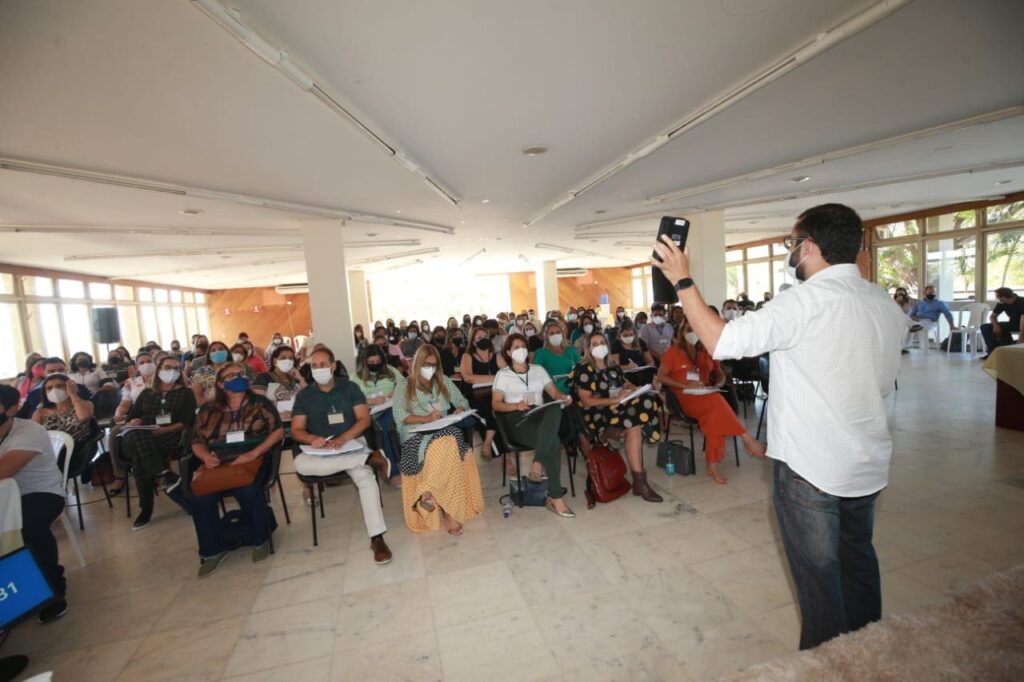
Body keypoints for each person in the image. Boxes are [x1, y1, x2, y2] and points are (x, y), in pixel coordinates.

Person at [653, 202, 905, 650]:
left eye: (792, 243)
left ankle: (827, 667)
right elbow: (884, 382)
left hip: (812, 466)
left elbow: (721, 340)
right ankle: (870, 655)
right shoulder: (882, 301)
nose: (791, 251)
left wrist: (682, 280)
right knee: (859, 562)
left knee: (820, 582)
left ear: (808, 247)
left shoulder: (803, 302)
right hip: (866, 462)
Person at [290, 347, 392, 564]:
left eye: (323, 365)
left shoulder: (350, 388)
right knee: (300, 464)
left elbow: (364, 420)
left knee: (366, 478)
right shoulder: (304, 395)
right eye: (314, 366)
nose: (319, 369)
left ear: (334, 366)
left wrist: (343, 438)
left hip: (351, 442)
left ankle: (377, 538)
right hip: (319, 448)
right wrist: (312, 440)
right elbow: (297, 431)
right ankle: (367, 458)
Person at [189, 362, 284, 577]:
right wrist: (206, 457)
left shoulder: (260, 404)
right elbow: (196, 440)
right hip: (218, 461)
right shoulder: (208, 409)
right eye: (232, 375)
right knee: (201, 497)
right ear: (221, 384)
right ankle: (212, 551)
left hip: (253, 458)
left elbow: (277, 432)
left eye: (241, 373)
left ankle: (260, 541)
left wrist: (253, 453)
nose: (239, 377)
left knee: (248, 490)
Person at [392, 345, 484, 535]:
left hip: (442, 431)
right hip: (415, 435)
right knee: (449, 443)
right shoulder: (404, 385)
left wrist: (459, 409)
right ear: (417, 364)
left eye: (434, 365)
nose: (431, 369)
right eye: (427, 365)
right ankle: (448, 513)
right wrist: (426, 419)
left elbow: (462, 401)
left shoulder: (443, 381)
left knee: (449, 440)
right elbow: (401, 415)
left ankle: (427, 493)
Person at [657, 323, 764, 484]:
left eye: (696, 330)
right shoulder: (673, 352)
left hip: (707, 395)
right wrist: (686, 385)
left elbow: (719, 374)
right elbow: (661, 377)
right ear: (682, 332)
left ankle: (712, 464)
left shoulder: (707, 351)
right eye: (689, 330)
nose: (693, 334)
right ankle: (746, 437)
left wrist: (718, 384)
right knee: (716, 402)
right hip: (684, 398)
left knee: (714, 415)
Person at [0, 385, 68, 623]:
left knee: (29, 526)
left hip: (39, 493)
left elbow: (4, 471)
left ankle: (53, 589)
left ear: (11, 410)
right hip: (4, 498)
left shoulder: (28, 432)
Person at [571, 332, 663, 503]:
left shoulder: (613, 367)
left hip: (617, 412)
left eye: (602, 343)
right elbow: (586, 400)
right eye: (594, 344)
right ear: (588, 349)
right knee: (636, 421)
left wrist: (635, 389)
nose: (599, 346)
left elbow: (625, 383)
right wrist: (614, 399)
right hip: (597, 416)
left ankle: (639, 482)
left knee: (642, 409)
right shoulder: (583, 370)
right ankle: (642, 439)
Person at [492, 334, 575, 517]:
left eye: (523, 346)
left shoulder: (538, 370)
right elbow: (496, 404)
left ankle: (537, 463)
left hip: (540, 415)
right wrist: (515, 405)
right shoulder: (503, 375)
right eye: (515, 347)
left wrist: (564, 399)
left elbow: (554, 393)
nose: (520, 350)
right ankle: (556, 497)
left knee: (555, 408)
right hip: (517, 419)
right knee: (552, 441)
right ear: (508, 352)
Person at [120, 355, 197, 529]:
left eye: (176, 368)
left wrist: (165, 430)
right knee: (138, 435)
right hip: (142, 434)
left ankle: (147, 507)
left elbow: (187, 421)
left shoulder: (185, 393)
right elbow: (132, 417)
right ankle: (163, 472)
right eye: (168, 367)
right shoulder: (147, 393)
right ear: (159, 370)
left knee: (140, 459)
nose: (172, 371)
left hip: (169, 436)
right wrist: (133, 422)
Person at [351, 345, 402, 486]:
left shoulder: (391, 371)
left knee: (391, 421)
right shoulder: (355, 377)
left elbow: (405, 384)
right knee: (385, 426)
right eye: (371, 363)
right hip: (368, 412)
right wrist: (371, 401)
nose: (375, 365)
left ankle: (400, 465)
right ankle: (393, 472)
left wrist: (396, 391)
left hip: (390, 408)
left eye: (378, 362)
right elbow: (350, 400)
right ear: (364, 362)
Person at [460, 326, 506, 460]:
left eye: (485, 337)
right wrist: (495, 378)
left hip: (496, 394)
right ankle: (495, 450)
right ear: (473, 342)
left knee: (499, 408)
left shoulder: (496, 356)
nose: (483, 340)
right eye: (479, 338)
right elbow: (468, 377)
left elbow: (507, 374)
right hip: (476, 397)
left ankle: (488, 443)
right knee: (493, 409)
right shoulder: (467, 356)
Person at [253, 345, 306, 420]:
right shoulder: (264, 377)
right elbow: (258, 404)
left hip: (298, 422)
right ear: (275, 361)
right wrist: (276, 415)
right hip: (275, 423)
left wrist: (300, 378)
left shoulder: (296, 378)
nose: (287, 361)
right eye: (283, 358)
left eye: (291, 358)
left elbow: (309, 398)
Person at [981, 287, 1024, 358]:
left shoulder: (1022, 301)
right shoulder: (1002, 303)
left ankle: (1010, 347)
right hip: (1013, 324)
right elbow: (993, 316)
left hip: (1022, 324)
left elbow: (1023, 320)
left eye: (998, 297)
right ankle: (993, 352)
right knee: (985, 327)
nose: (998, 299)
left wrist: (1021, 337)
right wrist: (996, 326)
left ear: (1004, 297)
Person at [612, 320, 654, 386]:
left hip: (643, 375)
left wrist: (645, 367)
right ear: (620, 335)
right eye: (625, 335)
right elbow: (614, 367)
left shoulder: (641, 342)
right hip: (625, 377)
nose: (628, 337)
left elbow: (650, 361)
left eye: (631, 335)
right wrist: (627, 367)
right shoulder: (616, 344)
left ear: (635, 334)